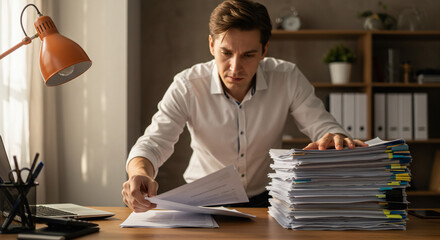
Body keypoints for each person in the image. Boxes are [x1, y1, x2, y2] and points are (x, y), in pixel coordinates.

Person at [122, 0, 367, 212]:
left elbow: (322, 126)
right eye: (226, 52)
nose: (235, 67)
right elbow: (154, 142)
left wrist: (336, 137)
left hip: (267, 200)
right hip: (202, 202)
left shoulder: (287, 77)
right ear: (211, 46)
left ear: (264, 50)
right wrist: (139, 173)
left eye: (248, 55)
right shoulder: (188, 85)